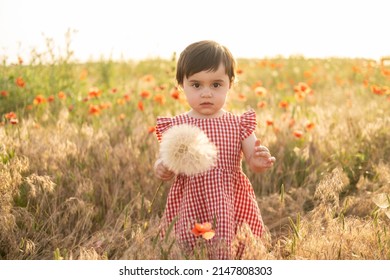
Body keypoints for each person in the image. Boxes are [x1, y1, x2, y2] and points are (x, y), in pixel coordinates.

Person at [154, 40, 276, 259]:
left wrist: (258, 160)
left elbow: (252, 158)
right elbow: (166, 160)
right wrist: (162, 168)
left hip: (228, 200)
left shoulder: (238, 124)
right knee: (188, 247)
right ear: (181, 84)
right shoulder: (178, 126)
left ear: (230, 83)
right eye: (196, 85)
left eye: (216, 85)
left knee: (229, 246)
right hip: (190, 199)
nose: (206, 93)